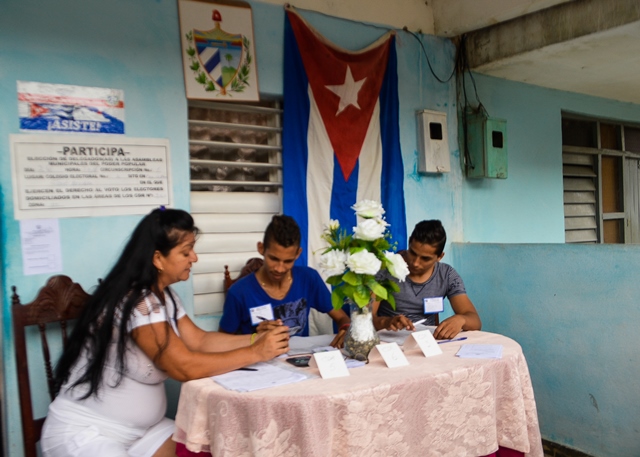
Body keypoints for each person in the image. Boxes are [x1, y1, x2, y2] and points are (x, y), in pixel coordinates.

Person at [41, 208, 290, 457]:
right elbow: (183, 367)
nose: (194, 258)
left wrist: (258, 338)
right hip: (88, 434)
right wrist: (256, 352)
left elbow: (200, 340)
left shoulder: (165, 296)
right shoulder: (136, 301)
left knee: (214, 450)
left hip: (145, 433)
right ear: (158, 259)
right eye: (185, 252)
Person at [220, 215, 351, 347]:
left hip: (300, 359)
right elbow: (221, 342)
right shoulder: (239, 292)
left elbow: (341, 317)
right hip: (258, 362)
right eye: (274, 259)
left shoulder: (308, 278)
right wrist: (255, 337)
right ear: (261, 248)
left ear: (298, 253)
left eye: (288, 261)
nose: (279, 269)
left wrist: (346, 329)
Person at [373, 219, 481, 340]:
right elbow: (365, 319)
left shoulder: (446, 275)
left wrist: (461, 319)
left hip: (427, 343)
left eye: (425, 259)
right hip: (388, 342)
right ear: (409, 244)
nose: (415, 263)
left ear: (440, 257)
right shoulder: (386, 269)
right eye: (413, 253)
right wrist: (387, 322)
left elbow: (475, 321)